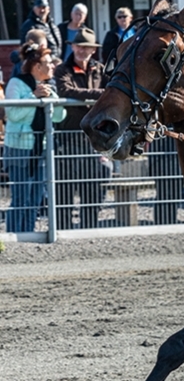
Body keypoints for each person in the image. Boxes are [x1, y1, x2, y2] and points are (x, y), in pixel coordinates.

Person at [4, 43, 66, 233]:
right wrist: (33, 98)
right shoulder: (16, 83)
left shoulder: (47, 86)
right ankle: (14, 236)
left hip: (41, 150)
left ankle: (29, 234)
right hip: (19, 149)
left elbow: (59, 116)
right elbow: (13, 114)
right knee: (21, 198)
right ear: (37, 66)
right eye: (48, 62)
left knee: (35, 199)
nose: (53, 66)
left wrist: (50, 99)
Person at [53, 27, 110, 230]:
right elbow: (65, 90)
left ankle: (89, 230)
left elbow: (111, 91)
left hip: (93, 140)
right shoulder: (63, 69)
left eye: (86, 47)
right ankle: (62, 231)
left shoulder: (100, 69)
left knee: (92, 190)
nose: (81, 50)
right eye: (78, 46)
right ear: (73, 46)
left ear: (92, 50)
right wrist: (98, 95)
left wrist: (91, 95)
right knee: (65, 190)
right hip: (68, 139)